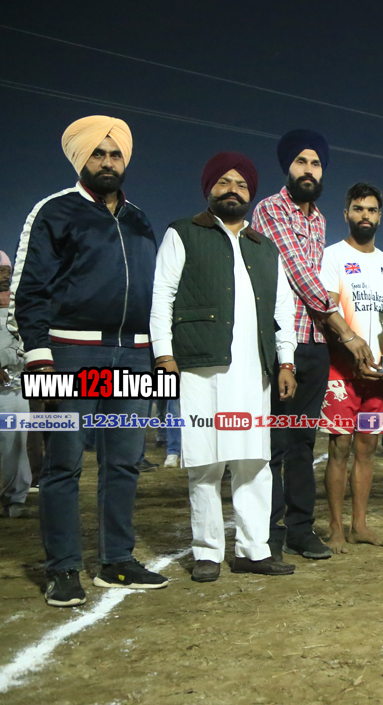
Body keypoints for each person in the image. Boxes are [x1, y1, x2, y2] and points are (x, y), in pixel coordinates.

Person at [12, 116, 166, 606]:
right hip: (69, 353)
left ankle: (117, 560)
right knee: (63, 464)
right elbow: (28, 289)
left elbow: (155, 292)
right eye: (97, 153)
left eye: (114, 154)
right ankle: (62, 568)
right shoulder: (53, 211)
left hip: (135, 355)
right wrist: (38, 355)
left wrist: (159, 352)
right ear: (81, 158)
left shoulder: (140, 219)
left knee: (125, 462)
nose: (107, 162)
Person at [151, 152, 298, 582]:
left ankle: (254, 550)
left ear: (250, 193)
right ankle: (208, 552)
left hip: (255, 371)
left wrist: (286, 360)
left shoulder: (265, 247)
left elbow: (283, 310)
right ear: (209, 188)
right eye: (223, 182)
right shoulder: (183, 233)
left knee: (254, 463)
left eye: (241, 184)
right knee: (205, 463)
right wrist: (164, 355)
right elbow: (162, 295)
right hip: (201, 367)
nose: (232, 189)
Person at [252, 129, 374, 562]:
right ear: (287, 167)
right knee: (273, 444)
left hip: (315, 343)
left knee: (304, 441)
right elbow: (299, 275)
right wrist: (346, 332)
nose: (309, 170)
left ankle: (301, 530)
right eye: (301, 162)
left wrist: (333, 333)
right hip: (279, 343)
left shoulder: (318, 220)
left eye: (316, 163)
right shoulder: (270, 210)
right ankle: (268, 533)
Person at [318, 183, 383, 552]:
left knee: (367, 449)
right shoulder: (332, 256)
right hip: (341, 372)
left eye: (371, 209)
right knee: (339, 448)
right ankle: (336, 528)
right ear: (346, 214)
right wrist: (352, 350)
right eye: (358, 208)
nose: (364, 215)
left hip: (379, 376)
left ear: (380, 216)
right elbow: (326, 311)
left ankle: (360, 525)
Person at [0, 251, 30, 518]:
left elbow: (24, 345)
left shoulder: (19, 308)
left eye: (8, 270)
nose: (6, 275)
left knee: (15, 445)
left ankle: (14, 500)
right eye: (1, 270)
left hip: (11, 387)